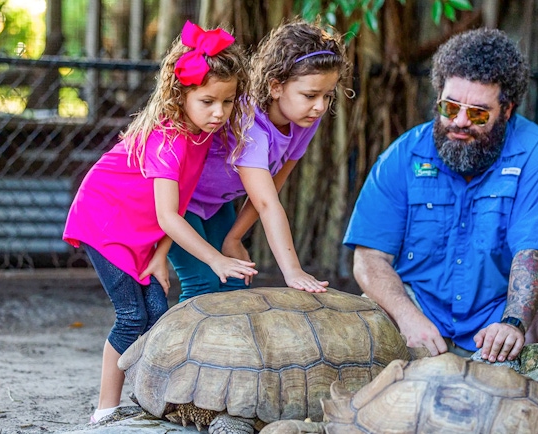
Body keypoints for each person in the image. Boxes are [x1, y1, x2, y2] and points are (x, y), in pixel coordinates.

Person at [343, 28, 538, 364]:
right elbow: (368, 258)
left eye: (479, 114)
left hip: (495, 310)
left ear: (507, 110)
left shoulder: (534, 150)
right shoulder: (402, 155)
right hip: (417, 304)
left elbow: (532, 252)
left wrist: (512, 323)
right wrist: (409, 318)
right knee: (353, 330)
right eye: (449, 107)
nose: (460, 121)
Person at [62, 21, 257, 424]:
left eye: (227, 101)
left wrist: (159, 256)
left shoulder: (200, 135)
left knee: (155, 311)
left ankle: (148, 397)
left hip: (138, 234)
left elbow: (180, 201)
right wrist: (216, 260)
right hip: (105, 224)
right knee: (132, 316)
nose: (219, 112)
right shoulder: (168, 138)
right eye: (207, 101)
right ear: (180, 94)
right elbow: (169, 215)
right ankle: (105, 410)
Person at [167, 19, 350, 302]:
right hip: (180, 201)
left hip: (216, 204)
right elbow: (267, 204)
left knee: (234, 283)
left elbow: (271, 188)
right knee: (201, 283)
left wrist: (234, 237)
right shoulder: (249, 125)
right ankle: (180, 348)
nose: (320, 106)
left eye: (328, 96)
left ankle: (226, 348)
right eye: (311, 95)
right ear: (276, 87)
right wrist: (292, 271)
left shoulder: (305, 120)